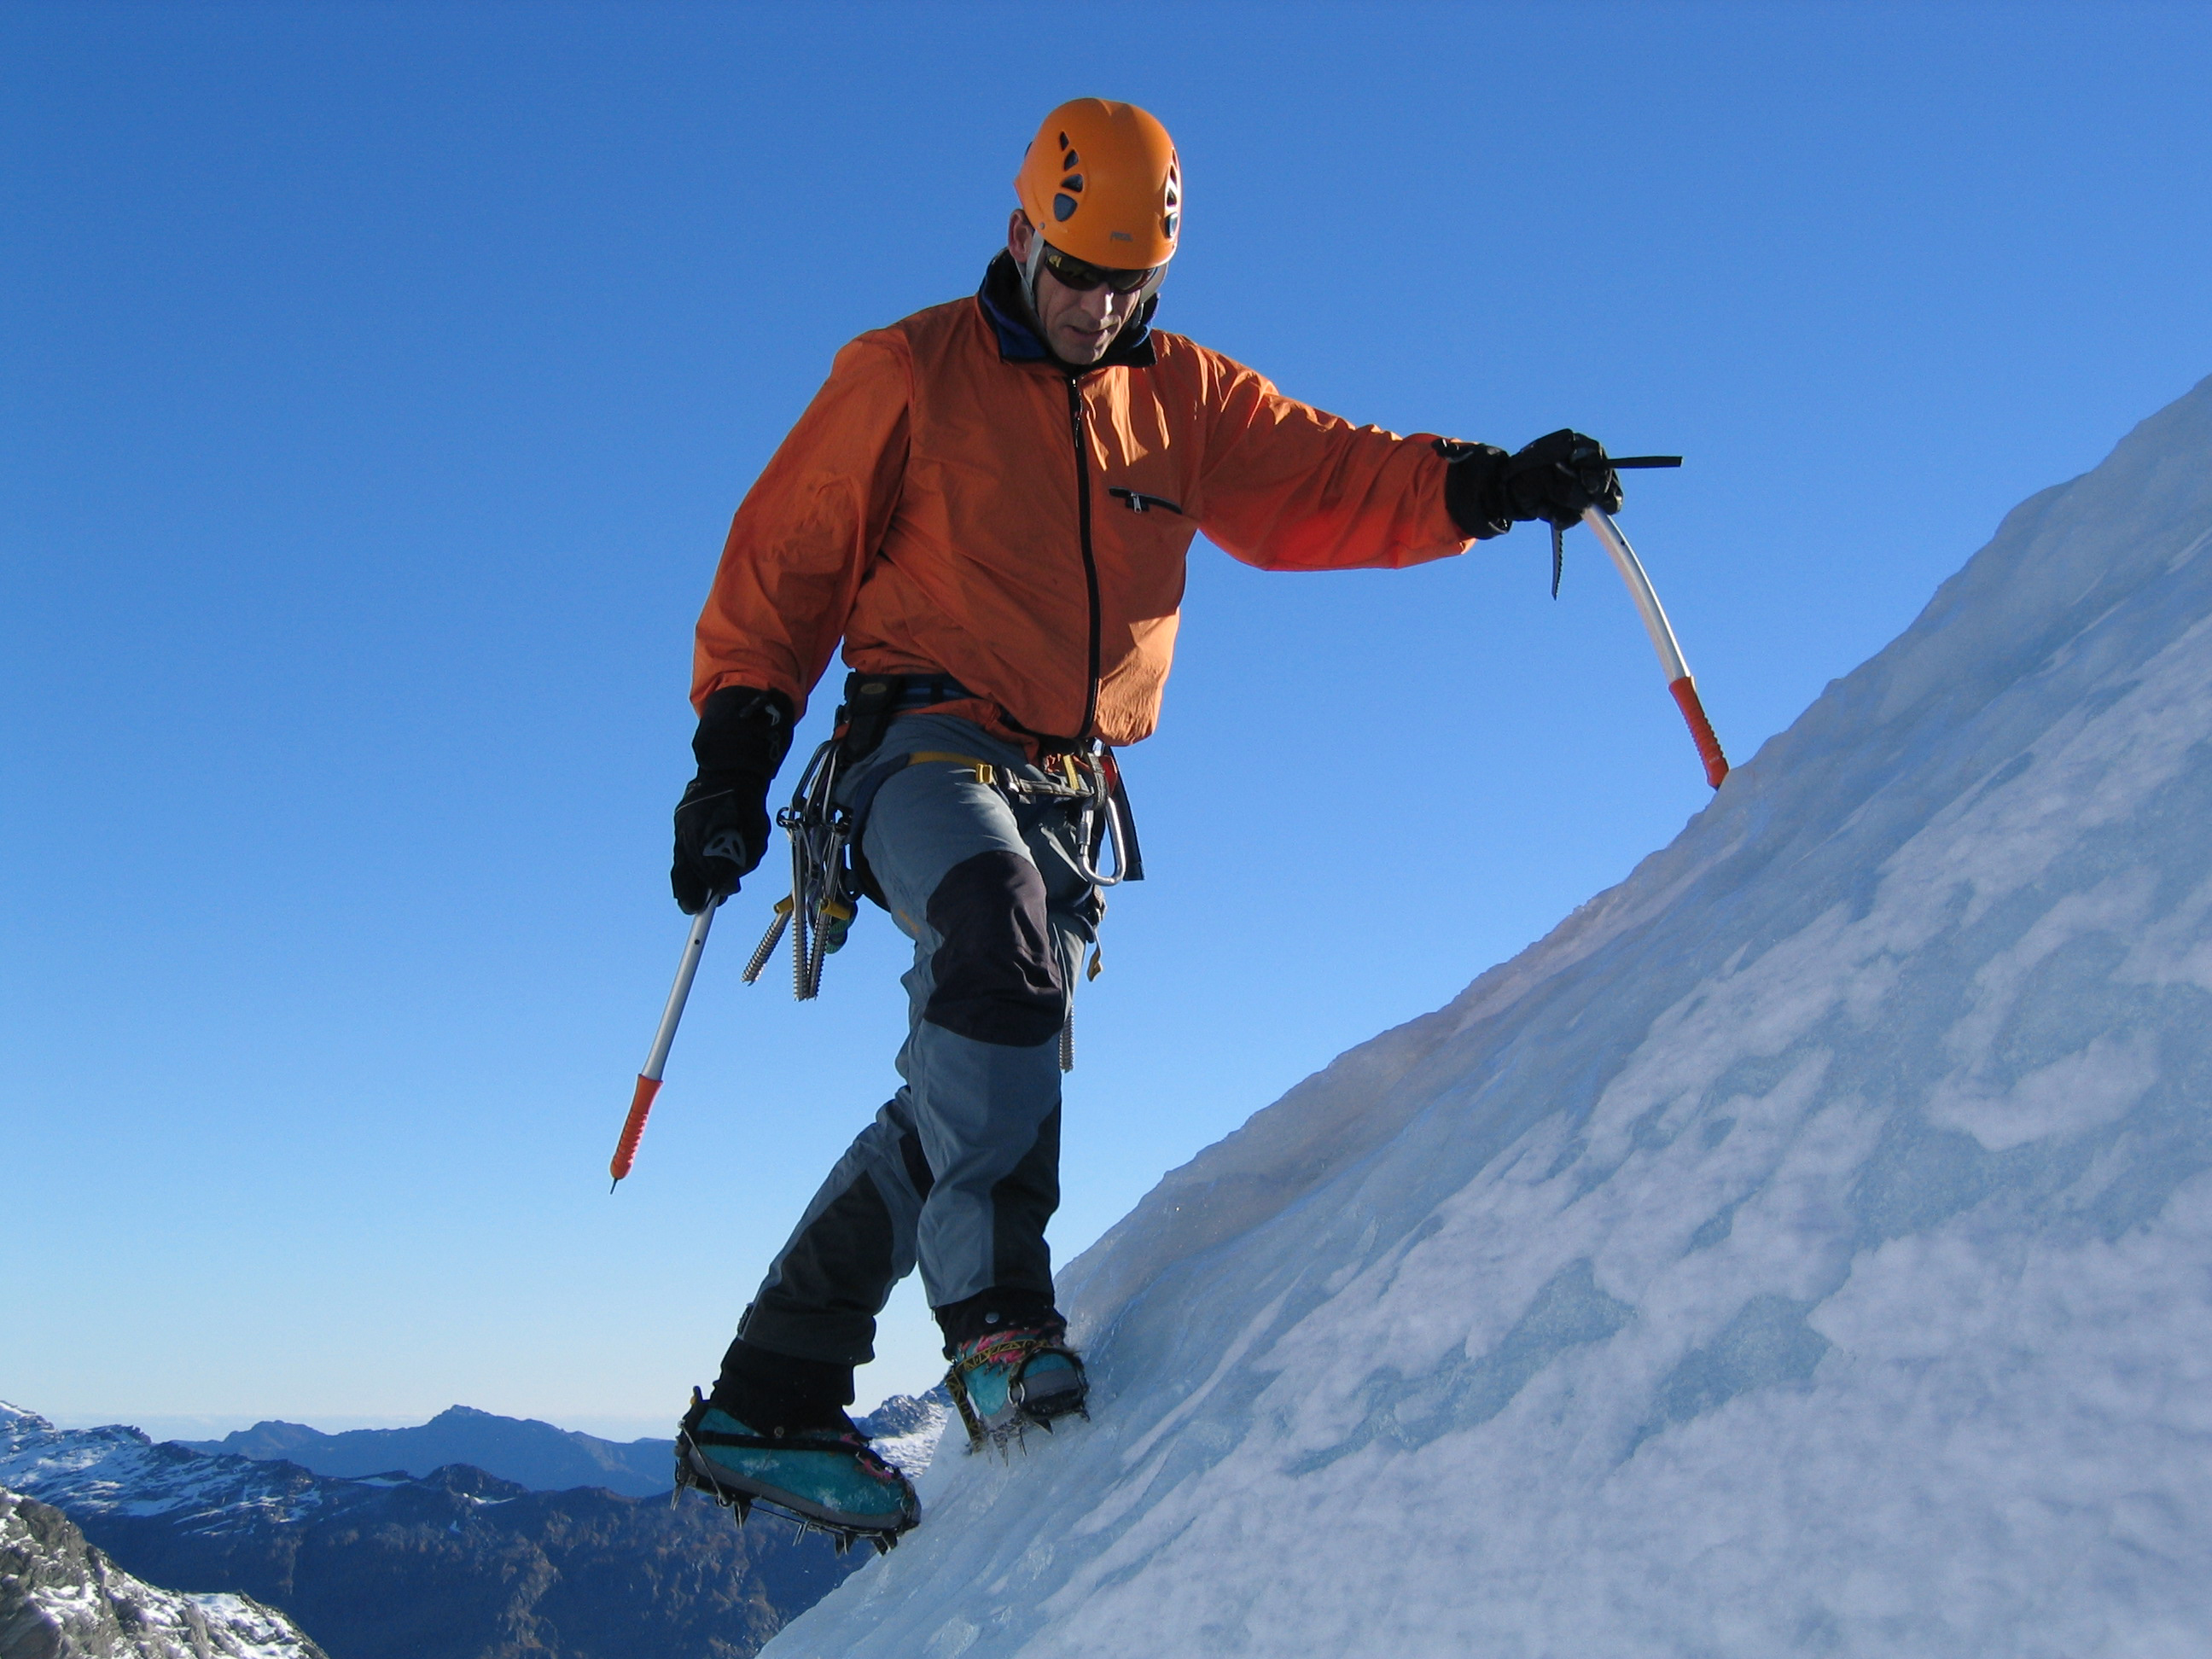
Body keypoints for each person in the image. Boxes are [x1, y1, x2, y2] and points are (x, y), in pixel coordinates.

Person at [667, 97, 1623, 1545]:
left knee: (972, 1089)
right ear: (1019, 232)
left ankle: (769, 1393)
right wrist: (734, 753)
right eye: (1073, 271)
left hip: (1066, 785)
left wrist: (1488, 485)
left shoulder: (1179, 396)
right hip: (921, 751)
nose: (1095, 306)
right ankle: (994, 1326)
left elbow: (1326, 475)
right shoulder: (907, 373)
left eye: (1126, 284)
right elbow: (792, 561)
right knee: (992, 939)